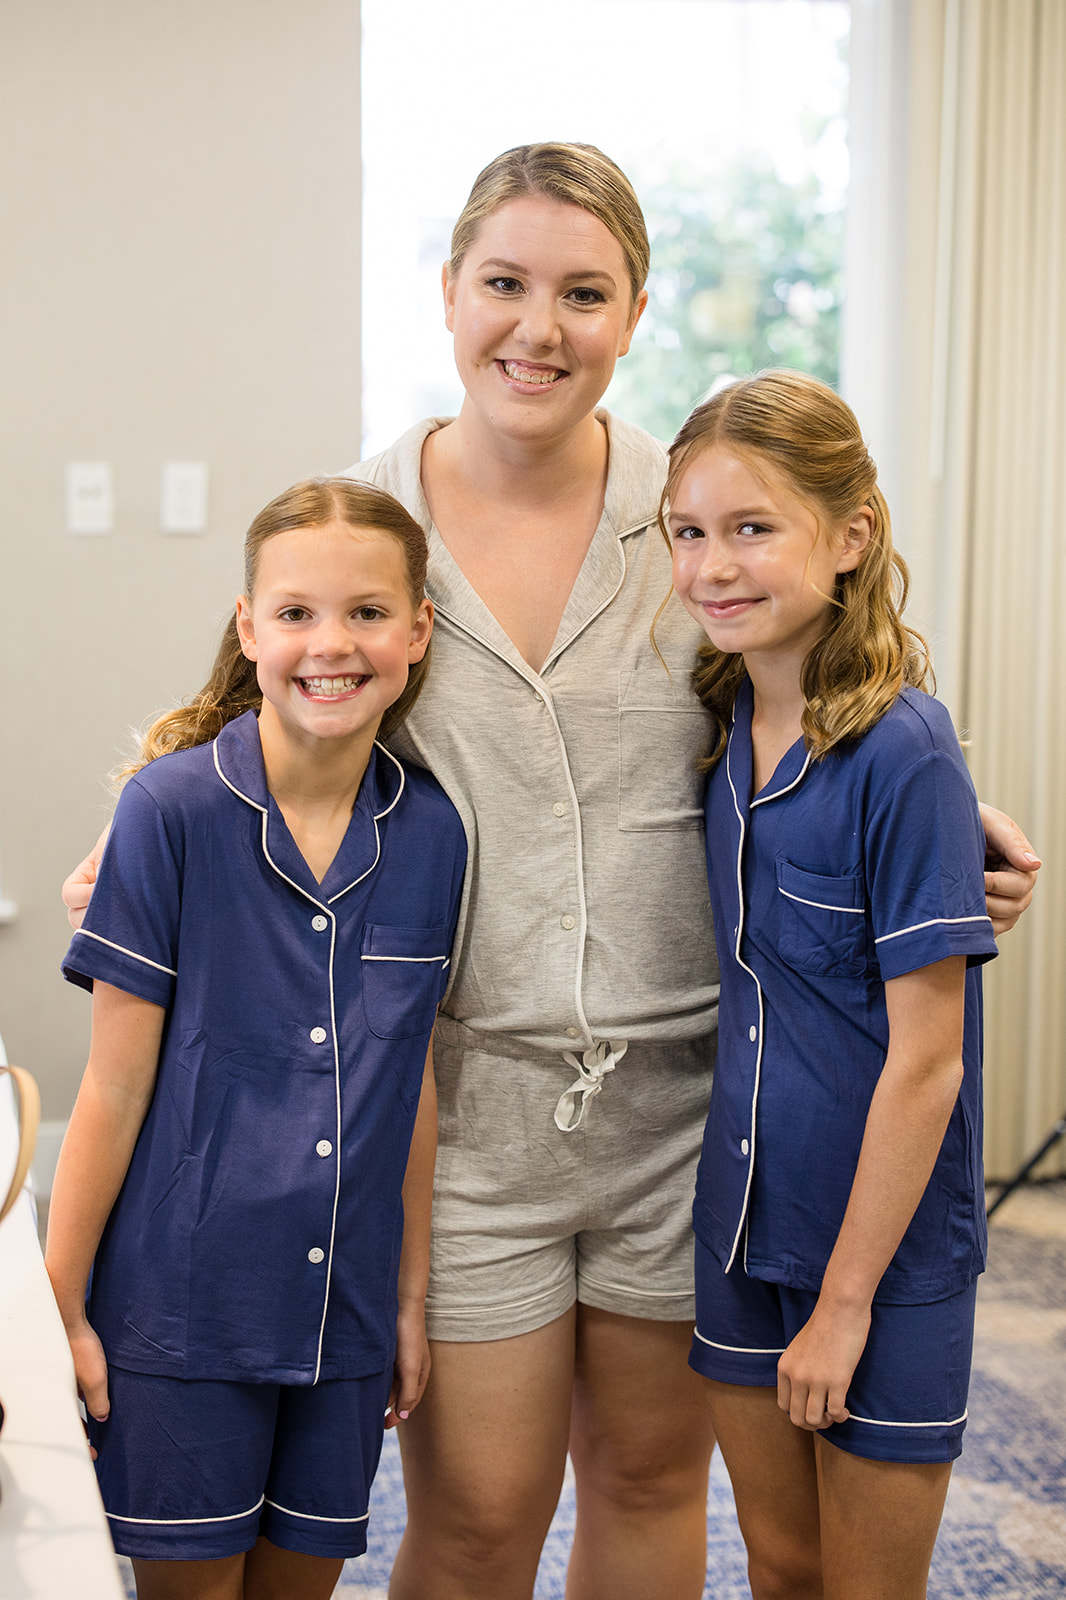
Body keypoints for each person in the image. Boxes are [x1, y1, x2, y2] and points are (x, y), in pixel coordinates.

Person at [62, 145, 1039, 1600]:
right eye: (503, 284)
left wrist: (947, 820)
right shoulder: (373, 512)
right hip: (467, 1118)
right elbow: (291, 677)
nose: (539, 326)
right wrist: (148, 819)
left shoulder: (692, 505)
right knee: (475, 1518)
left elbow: (814, 678)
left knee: (648, 1484)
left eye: (583, 293)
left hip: (686, 1108)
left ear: (633, 312)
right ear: (447, 294)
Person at [46, 478, 466, 1600]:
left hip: (346, 1324)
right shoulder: (169, 812)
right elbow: (113, 1090)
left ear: (418, 631)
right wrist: (60, 1303)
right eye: (295, 613)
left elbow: (411, 1078)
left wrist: (411, 1300)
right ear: (249, 627)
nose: (331, 643)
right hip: (180, 1315)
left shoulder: (432, 831)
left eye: (369, 612)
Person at [665, 369, 998, 1598]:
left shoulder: (905, 751)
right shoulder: (713, 717)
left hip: (881, 1254)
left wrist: (847, 1301)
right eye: (688, 533)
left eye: (752, 529)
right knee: (779, 1561)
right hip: (741, 1225)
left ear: (850, 536)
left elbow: (929, 1061)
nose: (714, 566)